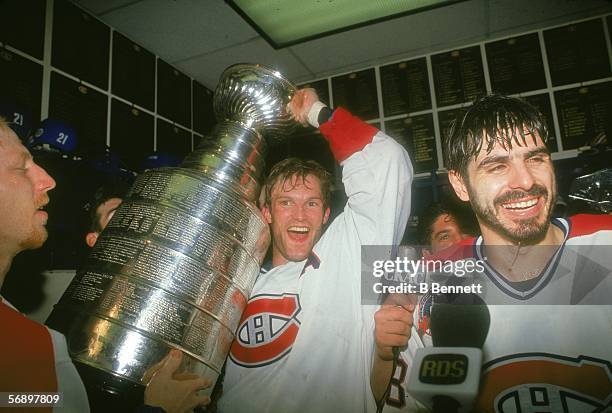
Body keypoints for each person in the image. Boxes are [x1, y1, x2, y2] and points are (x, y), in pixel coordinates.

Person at [372, 94, 612, 412]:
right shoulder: (431, 281)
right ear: (460, 184)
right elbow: (402, 402)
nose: (525, 181)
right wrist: (382, 354)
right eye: (497, 166)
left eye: (536, 158)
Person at [217, 88, 413, 413]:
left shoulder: (345, 259)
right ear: (266, 212)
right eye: (285, 203)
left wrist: (314, 112)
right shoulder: (236, 281)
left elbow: (387, 164)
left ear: (325, 215)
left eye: (311, 203)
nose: (299, 216)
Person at [0, 117, 211, 412]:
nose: (48, 180)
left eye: (137, 214)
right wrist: (156, 409)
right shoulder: (64, 331)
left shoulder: (36, 339)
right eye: (22, 167)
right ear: (93, 239)